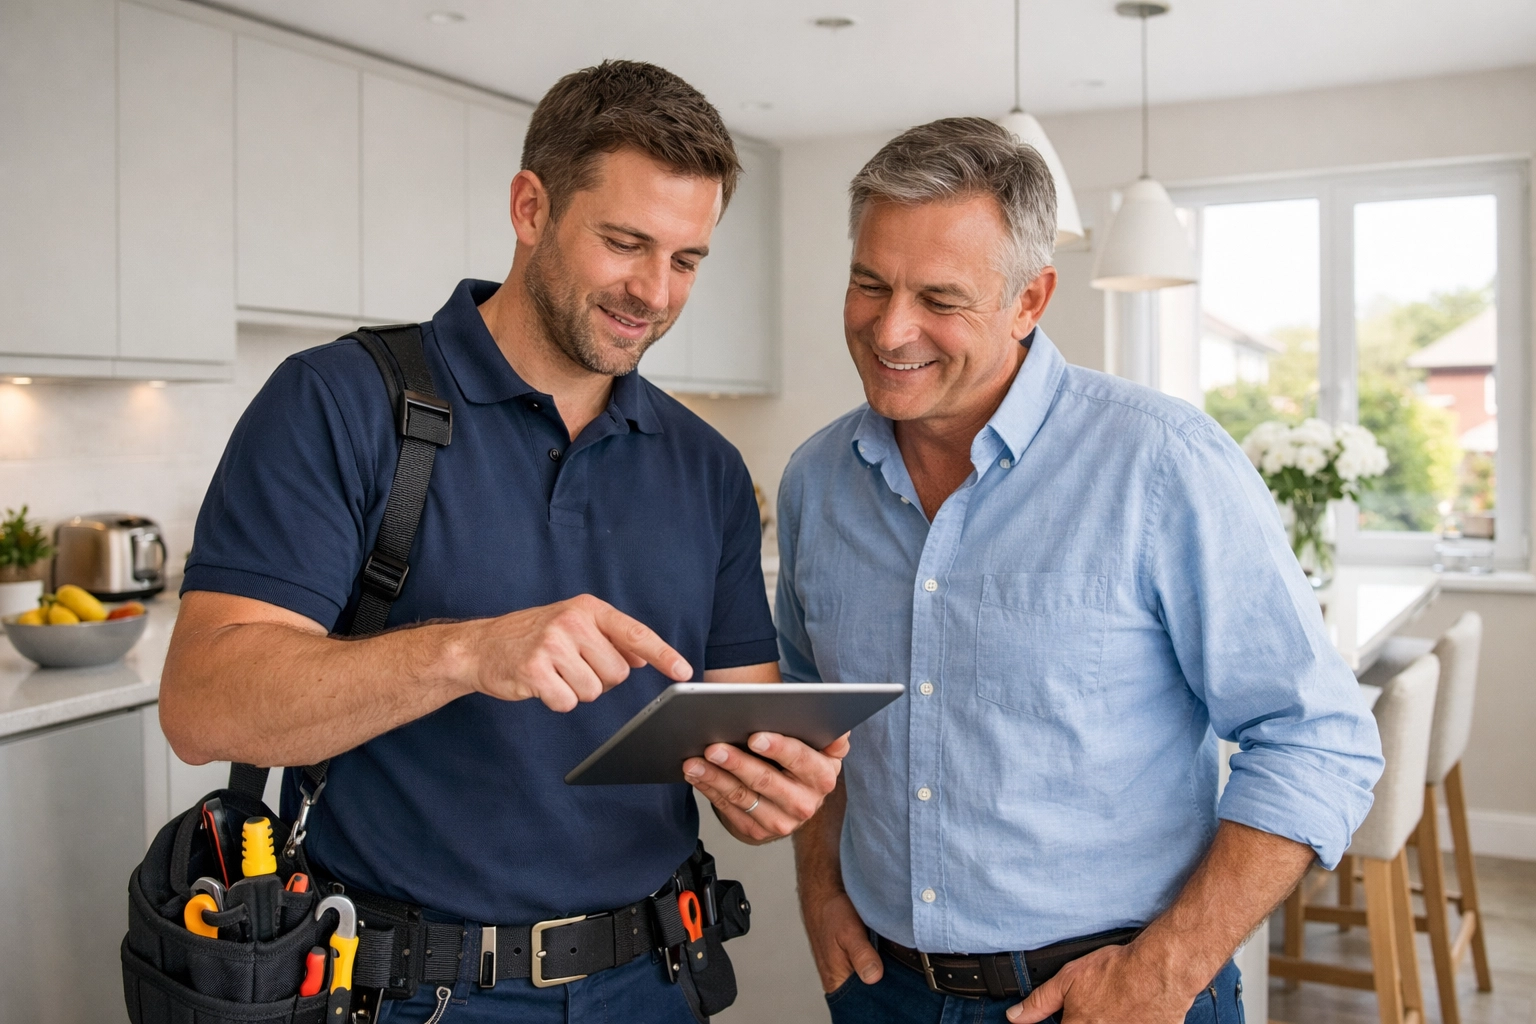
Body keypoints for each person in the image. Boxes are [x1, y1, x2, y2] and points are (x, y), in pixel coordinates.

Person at [160, 60, 845, 1023]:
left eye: (687, 259)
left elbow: (744, 753)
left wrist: (771, 796)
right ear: (531, 207)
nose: (655, 291)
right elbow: (203, 706)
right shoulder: (340, 402)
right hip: (408, 993)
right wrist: (471, 650)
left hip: (655, 983)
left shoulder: (710, 470)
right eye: (625, 243)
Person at [780, 118, 1384, 1024]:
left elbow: (1317, 741)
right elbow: (810, 720)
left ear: (1031, 300)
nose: (890, 328)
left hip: (1112, 997)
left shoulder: (1162, 462)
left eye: (940, 298)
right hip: (885, 994)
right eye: (870, 283)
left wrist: (1165, 970)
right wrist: (820, 892)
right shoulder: (814, 481)